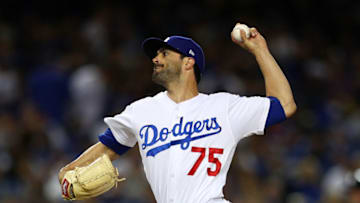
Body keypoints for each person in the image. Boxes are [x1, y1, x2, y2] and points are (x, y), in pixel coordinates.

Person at [58, 23, 297, 203]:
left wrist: (260, 50)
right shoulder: (141, 111)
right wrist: (68, 170)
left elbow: (284, 105)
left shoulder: (224, 107)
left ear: (188, 62)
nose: (155, 58)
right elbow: (109, 147)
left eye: (164, 53)